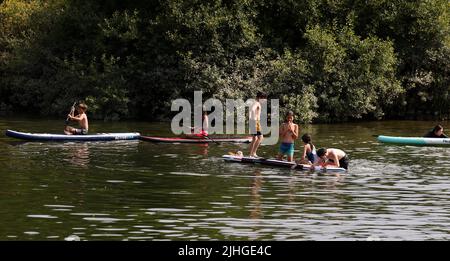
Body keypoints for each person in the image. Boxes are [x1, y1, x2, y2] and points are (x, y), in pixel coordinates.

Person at [248, 91, 267, 158]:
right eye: (264, 99)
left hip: (252, 121)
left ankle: (250, 154)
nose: (265, 100)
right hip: (256, 122)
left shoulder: (254, 102)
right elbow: (253, 110)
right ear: (260, 98)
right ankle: (253, 153)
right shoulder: (257, 103)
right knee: (260, 137)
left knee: (255, 138)